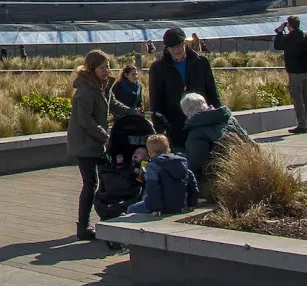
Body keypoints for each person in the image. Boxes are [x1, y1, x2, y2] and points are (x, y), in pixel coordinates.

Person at [67, 49, 135, 241]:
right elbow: (85, 120)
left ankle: (104, 215)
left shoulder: (102, 86)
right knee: (91, 183)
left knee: (103, 179)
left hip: (95, 141)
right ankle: (83, 226)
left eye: (108, 67)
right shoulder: (86, 90)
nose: (106, 71)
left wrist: (132, 113)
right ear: (91, 68)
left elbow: (113, 104)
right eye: (102, 68)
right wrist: (105, 136)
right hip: (84, 142)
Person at [148, 27, 221, 149]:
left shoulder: (200, 62)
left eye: (179, 46)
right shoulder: (158, 68)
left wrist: (218, 116)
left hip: (202, 122)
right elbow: (155, 99)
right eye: (172, 48)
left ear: (185, 44)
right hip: (175, 126)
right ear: (167, 48)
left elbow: (212, 91)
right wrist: (160, 129)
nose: (176, 51)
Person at [180, 92, 250, 180]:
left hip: (219, 177)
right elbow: (247, 139)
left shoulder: (196, 132)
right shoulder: (228, 118)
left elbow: (196, 163)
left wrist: (182, 159)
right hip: (245, 168)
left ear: (188, 112)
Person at [126, 135, 199, 216]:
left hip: (161, 207)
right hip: (179, 205)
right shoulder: (181, 163)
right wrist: (192, 203)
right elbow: (192, 184)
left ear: (150, 153)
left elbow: (153, 187)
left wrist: (156, 208)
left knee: (131, 208)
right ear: (168, 150)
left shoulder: (153, 166)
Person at [272, 15, 307, 134]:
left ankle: (302, 125)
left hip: (295, 72)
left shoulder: (290, 38)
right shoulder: (304, 36)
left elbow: (277, 46)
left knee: (297, 98)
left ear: (289, 25)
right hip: (305, 71)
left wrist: (280, 32)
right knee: (306, 98)